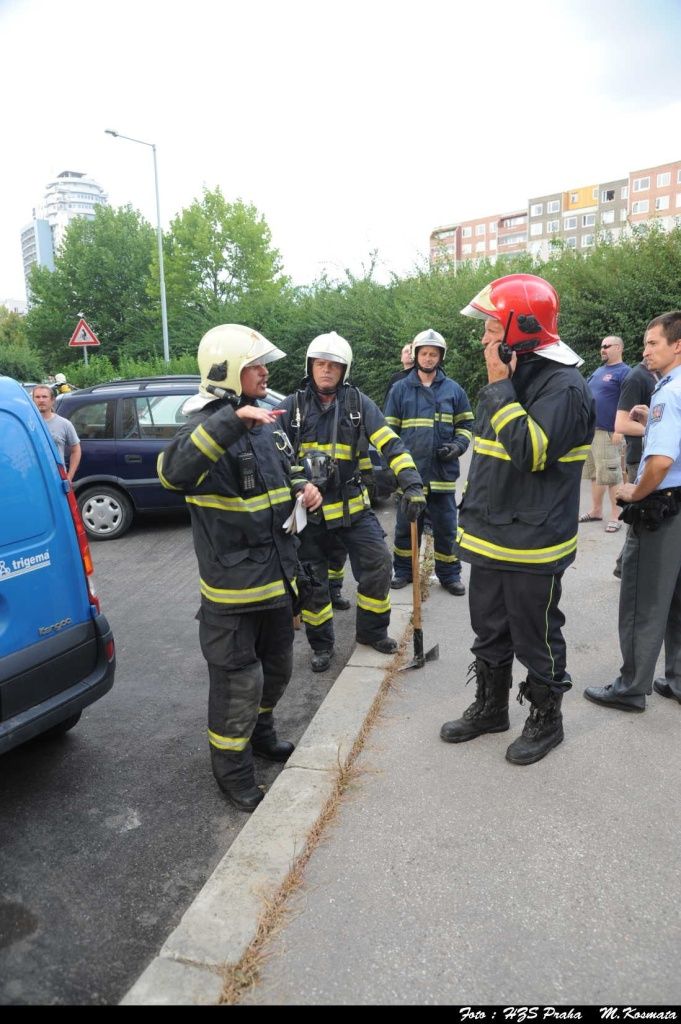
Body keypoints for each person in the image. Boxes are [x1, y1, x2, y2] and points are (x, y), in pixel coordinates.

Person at [439, 273, 595, 765]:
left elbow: (530, 452)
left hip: (533, 542)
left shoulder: (563, 387)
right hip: (490, 536)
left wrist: (500, 386)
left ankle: (547, 720)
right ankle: (491, 708)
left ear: (517, 330)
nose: (484, 337)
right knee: (488, 629)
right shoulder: (513, 377)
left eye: (490, 328)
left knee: (536, 635)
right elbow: (490, 458)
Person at [157, 324, 309, 812]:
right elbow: (172, 473)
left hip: (277, 580)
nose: (265, 371)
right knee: (238, 686)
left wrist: (308, 487)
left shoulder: (265, 421)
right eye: (255, 365)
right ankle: (233, 770)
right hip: (233, 595)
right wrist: (231, 422)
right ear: (226, 372)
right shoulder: (203, 426)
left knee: (278, 671)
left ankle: (262, 735)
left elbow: (289, 467)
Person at [277, 331, 425, 673]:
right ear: (311, 366)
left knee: (378, 565)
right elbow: (273, 455)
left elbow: (391, 444)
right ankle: (322, 646)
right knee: (313, 585)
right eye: (321, 364)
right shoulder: (291, 408)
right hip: (310, 517)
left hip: (353, 509)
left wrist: (412, 485)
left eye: (334, 366)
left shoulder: (359, 404)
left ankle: (372, 633)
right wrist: (298, 483)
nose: (327, 371)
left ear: (345, 371)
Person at [584, 311, 681, 713]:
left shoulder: (669, 393)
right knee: (677, 600)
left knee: (643, 602)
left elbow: (659, 463)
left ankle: (630, 687)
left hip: (662, 510)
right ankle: (676, 678)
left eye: (654, 343)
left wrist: (634, 492)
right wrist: (648, 419)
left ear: (677, 345)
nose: (646, 351)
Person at [385, 329, 473, 596]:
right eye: (424, 353)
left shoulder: (454, 390)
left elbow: (467, 424)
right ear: (416, 355)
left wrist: (457, 446)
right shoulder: (400, 389)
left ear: (440, 357)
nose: (428, 358)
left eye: (433, 354)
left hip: (442, 475)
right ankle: (402, 571)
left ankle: (449, 575)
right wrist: (395, 468)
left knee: (446, 529)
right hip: (411, 476)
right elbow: (388, 432)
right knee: (404, 529)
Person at [612, 357, 659, 578]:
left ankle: (624, 564)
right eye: (649, 343)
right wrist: (660, 429)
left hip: (651, 455)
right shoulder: (636, 377)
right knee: (637, 515)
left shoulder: (658, 376)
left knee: (642, 515)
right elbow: (621, 424)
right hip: (638, 457)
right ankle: (626, 567)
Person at [580, 336, 630, 533]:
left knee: (611, 475)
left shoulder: (625, 372)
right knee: (595, 474)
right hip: (592, 431)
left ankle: (616, 516)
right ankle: (596, 510)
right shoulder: (599, 371)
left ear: (618, 348)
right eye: (601, 346)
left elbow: (629, 402)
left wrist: (620, 428)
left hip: (610, 432)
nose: (602, 349)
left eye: (606, 346)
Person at [32, 385, 81, 482]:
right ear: (32, 400)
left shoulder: (64, 424)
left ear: (52, 400)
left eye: (44, 397)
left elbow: (76, 450)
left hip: (56, 478)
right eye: (37, 397)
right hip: (32, 478)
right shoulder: (26, 423)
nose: (41, 400)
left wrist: (69, 476)